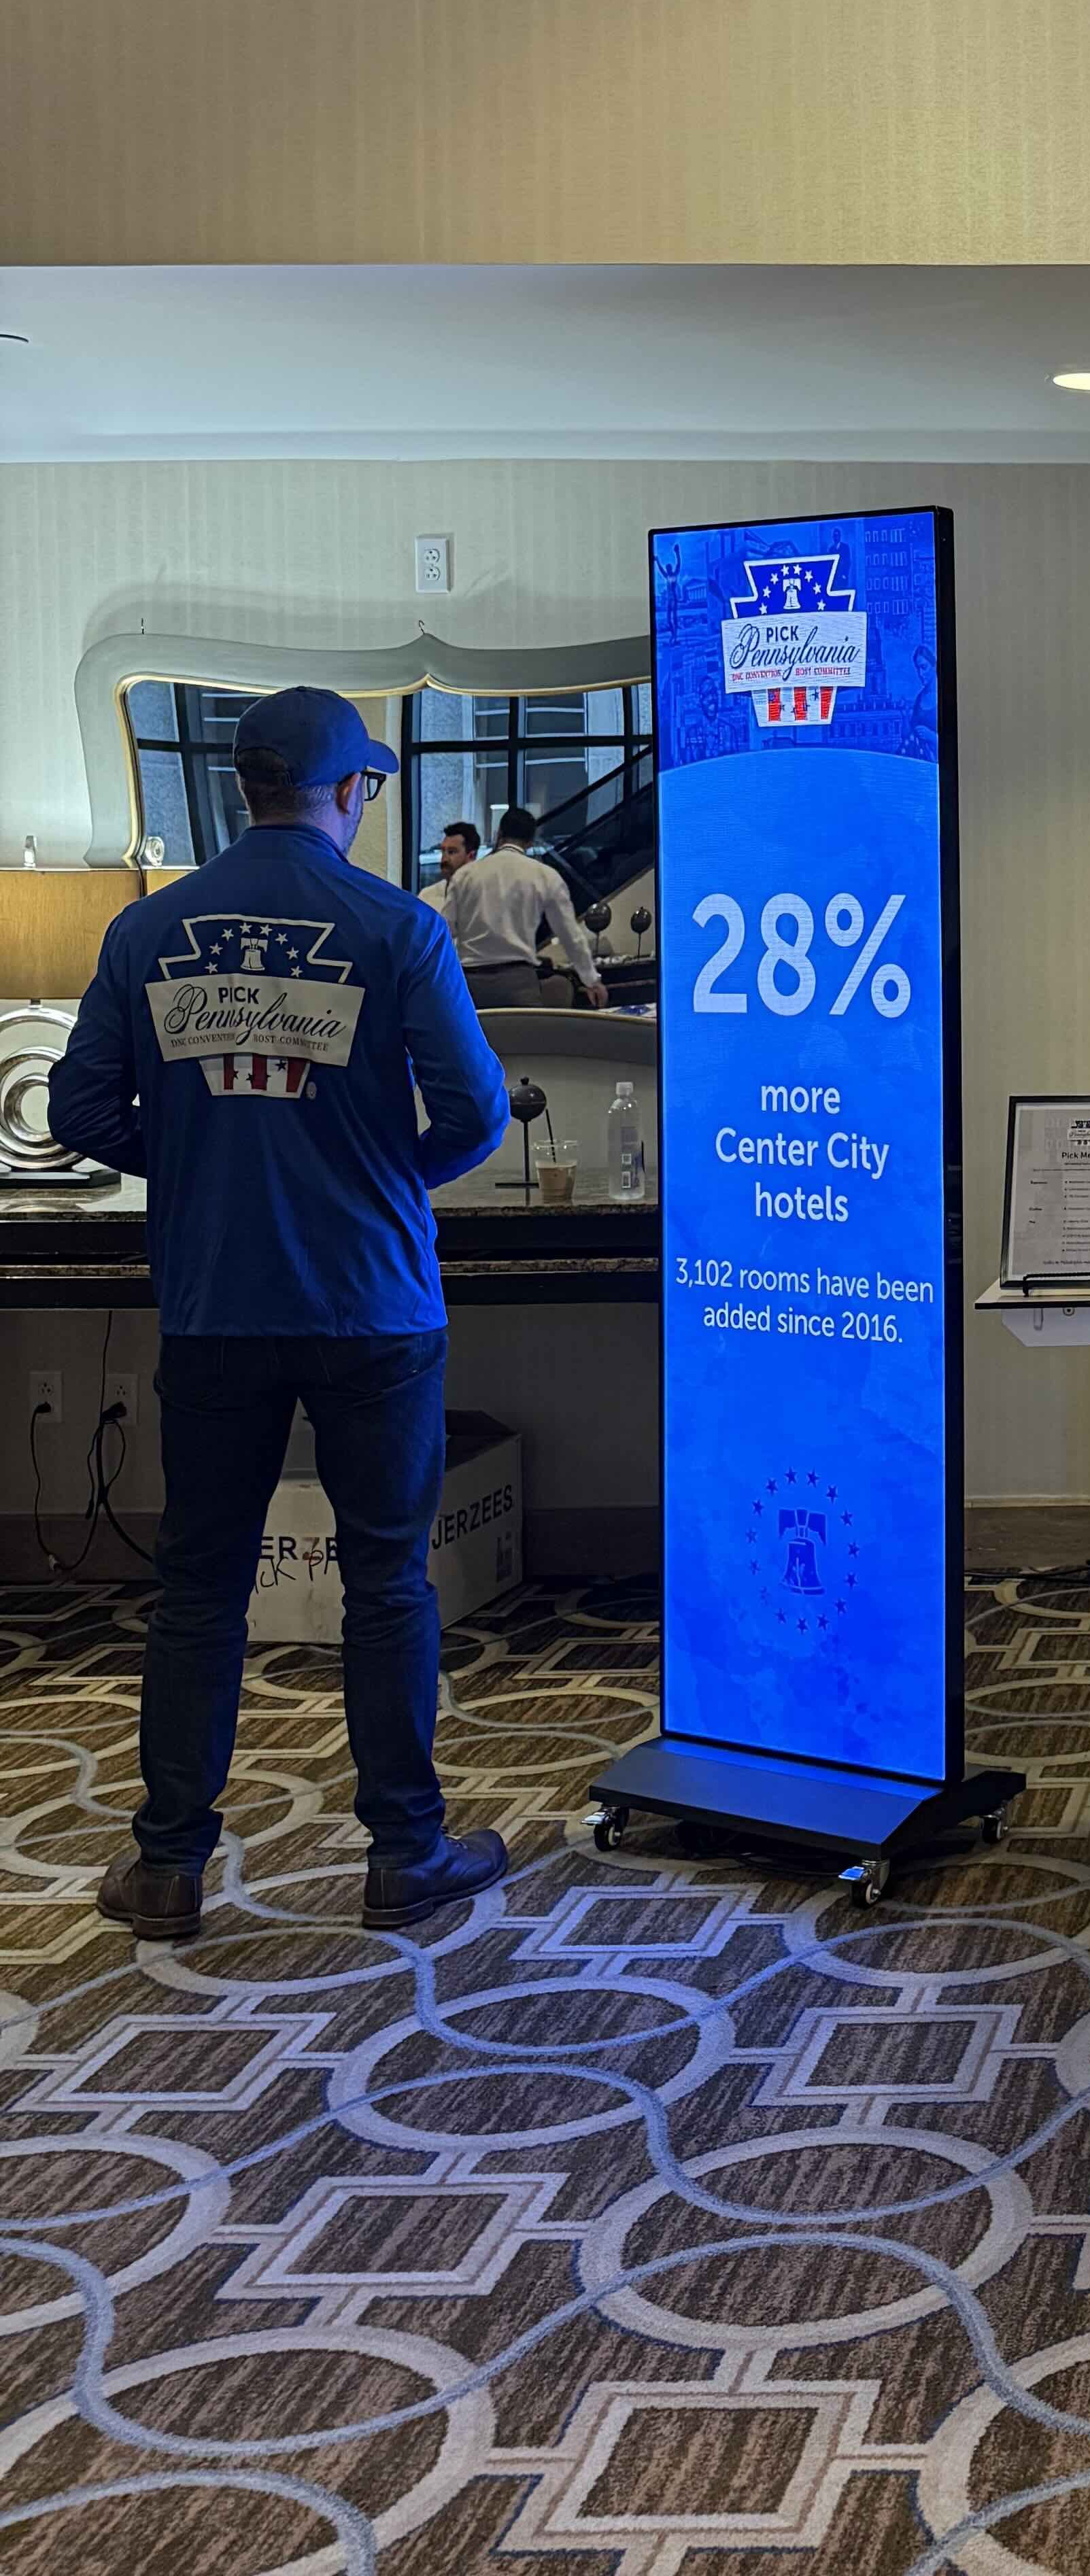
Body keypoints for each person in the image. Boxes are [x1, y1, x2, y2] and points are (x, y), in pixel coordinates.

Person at [48, 686, 515, 1940]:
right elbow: (474, 1115)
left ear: (242, 788)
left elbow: (76, 1112)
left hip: (214, 1306)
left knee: (200, 1584)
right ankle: (406, 1852)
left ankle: (165, 1865)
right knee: (385, 1580)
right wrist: (369, 1175)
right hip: (370, 1303)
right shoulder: (395, 925)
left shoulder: (150, 930)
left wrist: (204, 1162)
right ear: (351, 792)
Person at [452, 804, 604, 1010]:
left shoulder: (465, 875)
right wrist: (592, 980)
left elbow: (444, 930)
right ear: (531, 841)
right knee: (526, 1040)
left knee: (472, 1041)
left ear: (500, 834)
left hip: (469, 984)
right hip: (518, 983)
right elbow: (570, 934)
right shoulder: (544, 875)